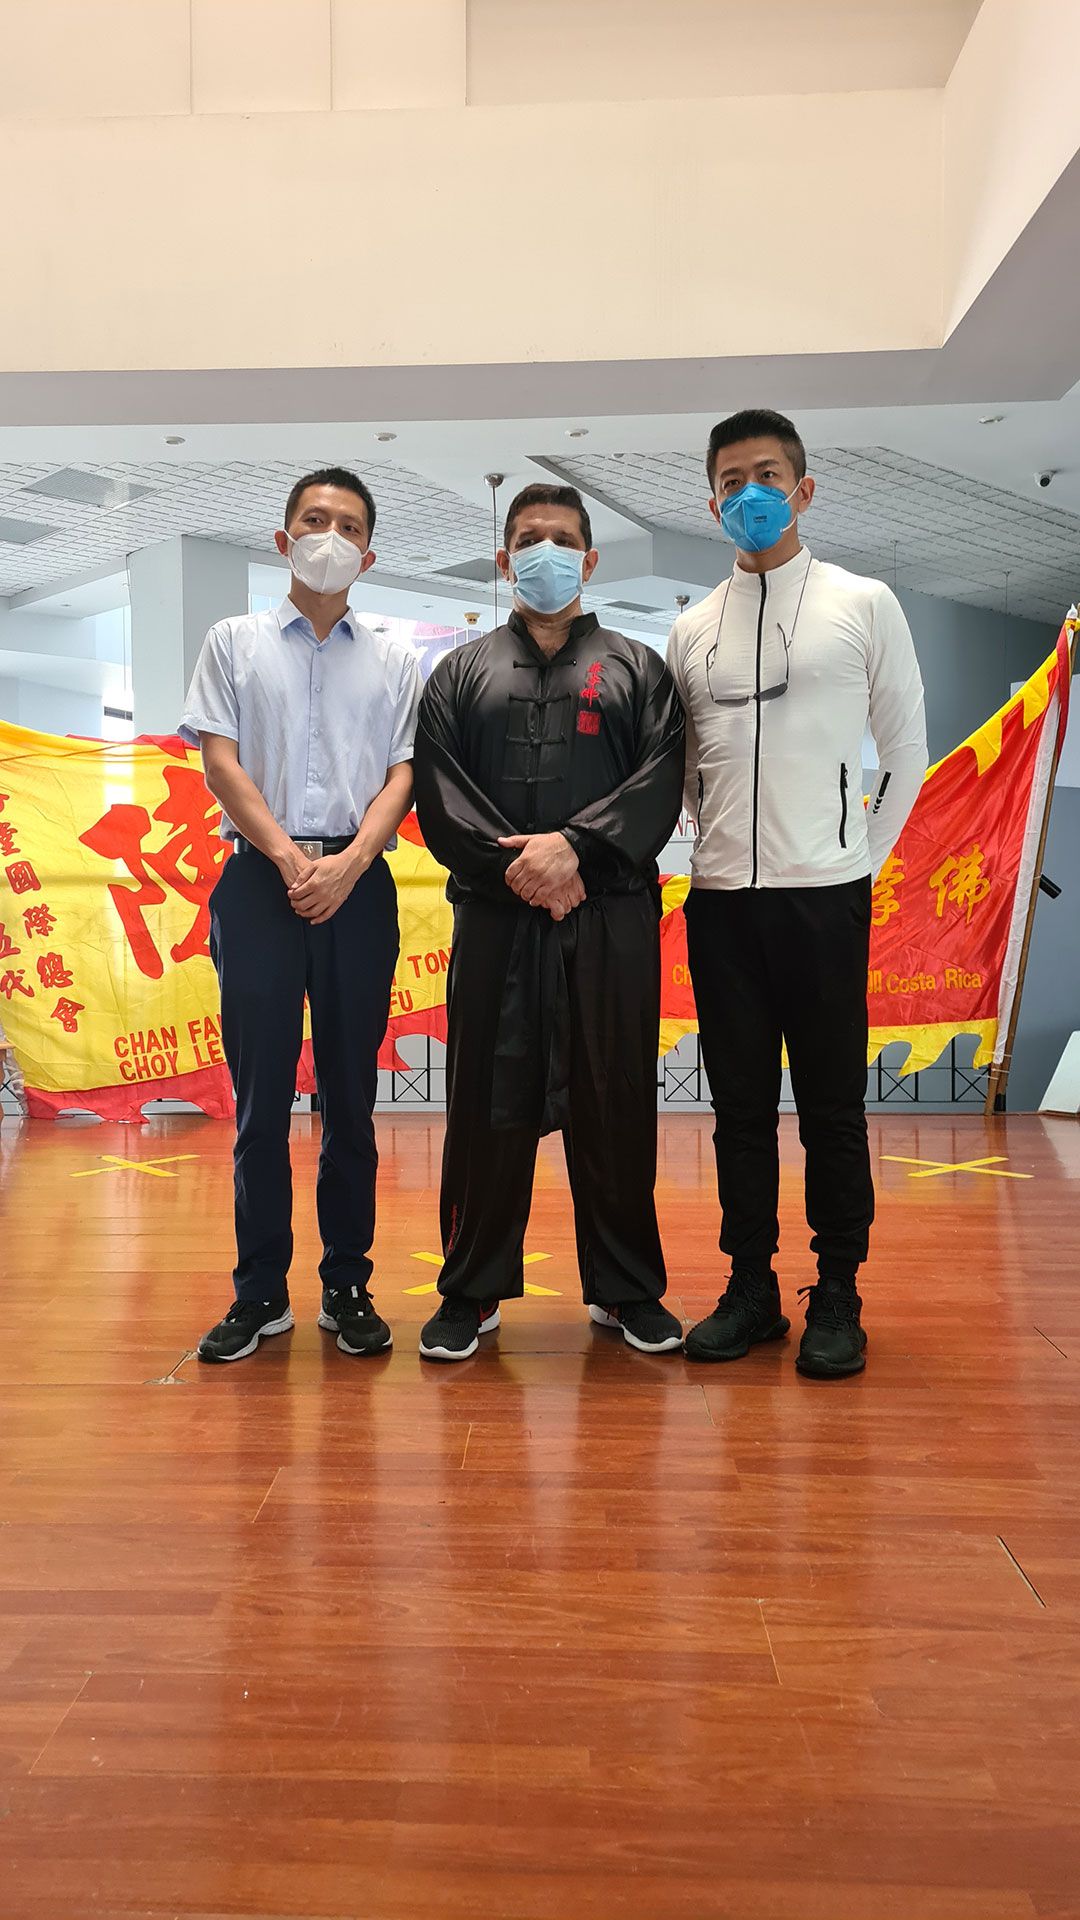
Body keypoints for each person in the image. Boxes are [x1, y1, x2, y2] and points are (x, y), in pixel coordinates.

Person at [666, 410, 928, 1378]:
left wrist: (857, 858)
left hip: (825, 895)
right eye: (731, 481)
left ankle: (840, 1292)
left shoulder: (864, 602)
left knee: (831, 1111)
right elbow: (680, 773)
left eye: (768, 475)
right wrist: (693, 853)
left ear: (805, 489)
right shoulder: (691, 627)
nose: (750, 494)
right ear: (712, 503)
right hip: (722, 901)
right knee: (738, 1110)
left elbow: (905, 748)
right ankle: (750, 1290)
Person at [413, 482, 686, 1362]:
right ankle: (471, 1289)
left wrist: (576, 850)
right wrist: (526, 873)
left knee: (615, 1098)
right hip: (497, 920)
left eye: (563, 539)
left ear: (590, 559)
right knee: (486, 1103)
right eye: (529, 538)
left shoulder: (639, 669)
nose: (546, 552)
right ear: (504, 560)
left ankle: (627, 1289)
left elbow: (660, 780)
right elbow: (440, 794)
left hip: (610, 918)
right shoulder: (459, 674)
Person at [179, 467, 422, 1363]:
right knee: (261, 1104)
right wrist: (290, 859)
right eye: (315, 520)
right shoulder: (233, 642)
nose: (331, 537)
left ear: (369, 553)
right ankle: (260, 1292)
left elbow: (404, 774)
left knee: (351, 1101)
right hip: (260, 887)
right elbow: (220, 762)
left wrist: (349, 864)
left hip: (359, 886)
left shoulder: (395, 658)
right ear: (284, 541)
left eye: (349, 526)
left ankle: (347, 1285)